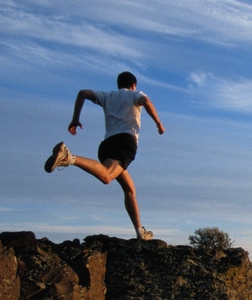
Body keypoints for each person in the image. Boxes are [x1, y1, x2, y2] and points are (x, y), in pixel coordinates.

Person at [44, 71, 165, 240]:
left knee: (130, 189)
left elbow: (82, 93)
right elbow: (145, 101)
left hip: (107, 145)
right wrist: (158, 123)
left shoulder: (108, 96)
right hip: (125, 143)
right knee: (107, 176)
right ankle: (69, 157)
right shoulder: (135, 94)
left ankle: (140, 232)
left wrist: (75, 119)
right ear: (133, 85)